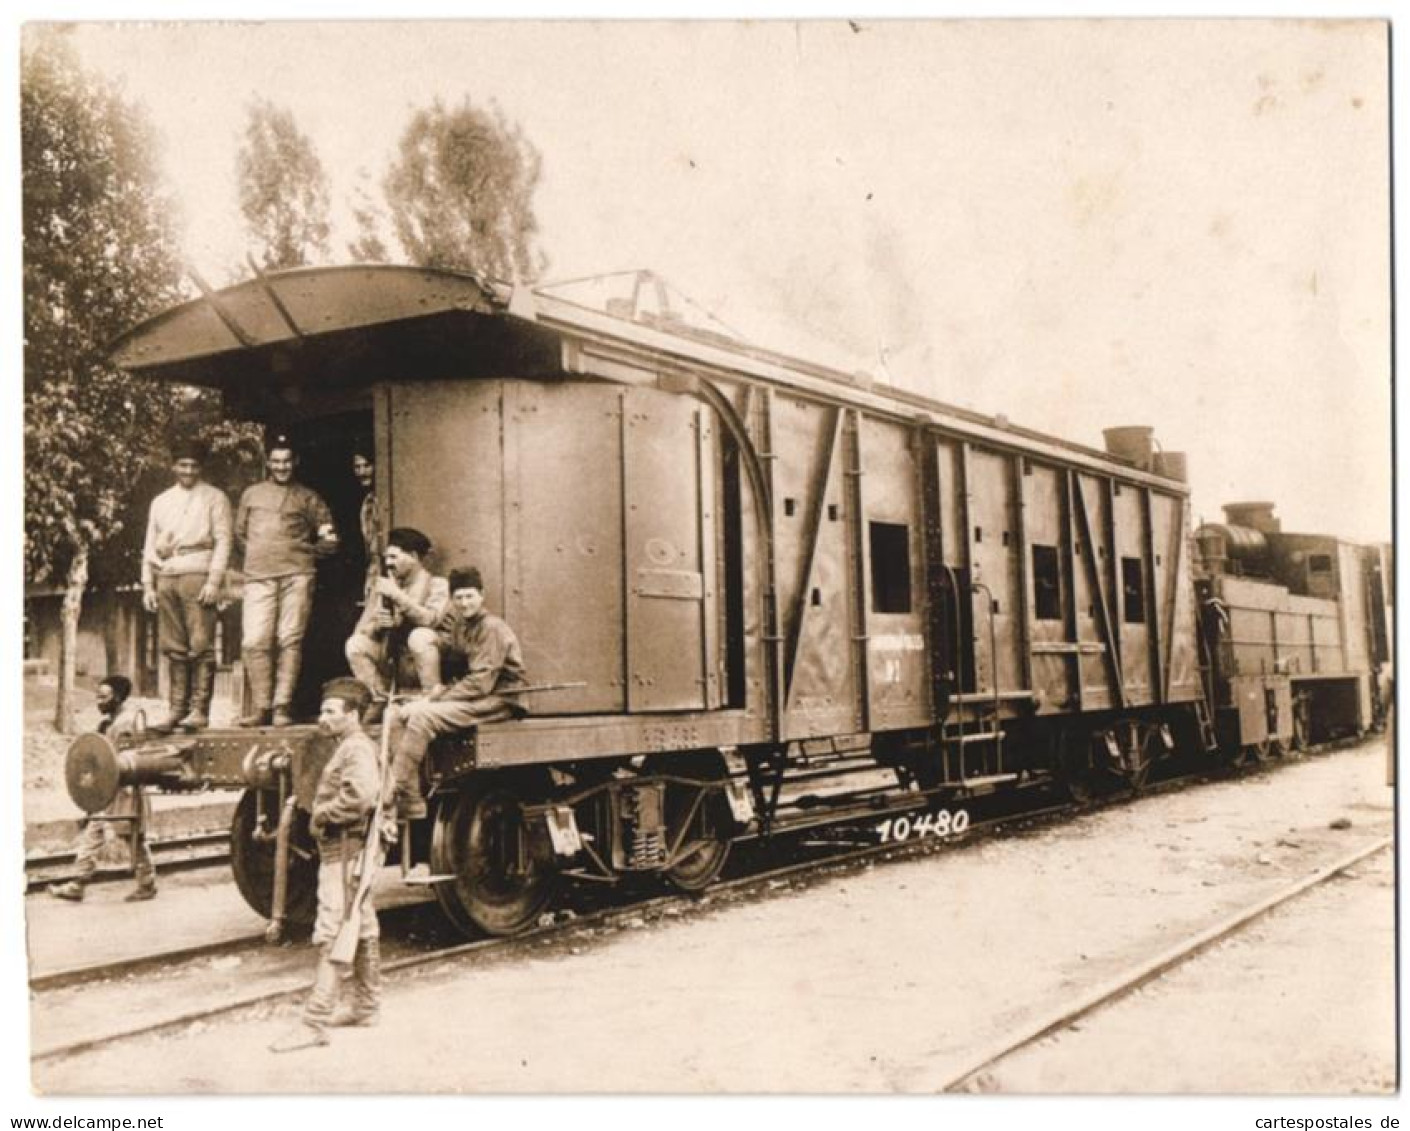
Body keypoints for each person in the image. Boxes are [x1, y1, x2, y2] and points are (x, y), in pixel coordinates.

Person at [269, 677, 384, 1053]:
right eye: (323, 710)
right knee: (361, 926)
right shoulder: (350, 746)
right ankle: (366, 1006)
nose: (323, 718)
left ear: (352, 715)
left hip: (345, 849)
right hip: (349, 850)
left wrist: (322, 813)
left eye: (331, 711)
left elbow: (362, 796)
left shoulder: (355, 749)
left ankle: (314, 1021)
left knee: (333, 932)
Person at [387, 567, 527, 820]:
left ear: (482, 595)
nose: (464, 603)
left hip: (499, 699)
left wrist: (438, 696)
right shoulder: (461, 625)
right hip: (472, 695)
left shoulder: (492, 628)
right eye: (458, 597)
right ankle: (409, 797)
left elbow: (480, 684)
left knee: (423, 716)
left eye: (469, 596)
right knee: (396, 713)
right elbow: (452, 656)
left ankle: (391, 788)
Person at [235, 435, 339, 728]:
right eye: (276, 461)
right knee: (255, 641)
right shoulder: (251, 495)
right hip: (258, 576)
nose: (281, 467)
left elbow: (330, 539)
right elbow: (240, 535)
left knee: (289, 640)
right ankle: (261, 707)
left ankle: (282, 706)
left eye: (286, 461)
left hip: (297, 576)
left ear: (295, 463)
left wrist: (304, 553)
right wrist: (262, 555)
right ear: (268, 462)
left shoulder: (308, 497)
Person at [140, 438, 233, 733]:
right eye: (183, 464)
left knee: (201, 644)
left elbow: (224, 540)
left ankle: (199, 710)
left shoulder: (215, 497)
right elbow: (148, 545)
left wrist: (214, 580)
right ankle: (176, 709)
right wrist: (147, 585)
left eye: (194, 465)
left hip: (198, 572)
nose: (188, 470)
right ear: (173, 466)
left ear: (200, 467)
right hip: (167, 574)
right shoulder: (161, 501)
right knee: (173, 646)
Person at [49, 676, 157, 903]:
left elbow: (124, 760)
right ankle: (78, 883)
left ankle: (147, 884)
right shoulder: (113, 721)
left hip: (125, 789)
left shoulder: (125, 723)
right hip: (110, 789)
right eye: (97, 696)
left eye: (103, 697)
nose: (98, 702)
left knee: (132, 836)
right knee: (94, 830)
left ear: (117, 697)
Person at [344, 527, 449, 723]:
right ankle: (379, 699)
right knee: (355, 644)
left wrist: (397, 596)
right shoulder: (383, 588)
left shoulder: (438, 585)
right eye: (387, 558)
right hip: (394, 659)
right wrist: (378, 625)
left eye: (394, 557)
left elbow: (430, 620)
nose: (388, 563)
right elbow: (361, 630)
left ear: (413, 556)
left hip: (427, 659)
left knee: (420, 636)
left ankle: (431, 700)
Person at [352, 445, 381, 598]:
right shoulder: (366, 499)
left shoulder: (380, 497)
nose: (362, 472)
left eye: (367, 466)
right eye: (357, 467)